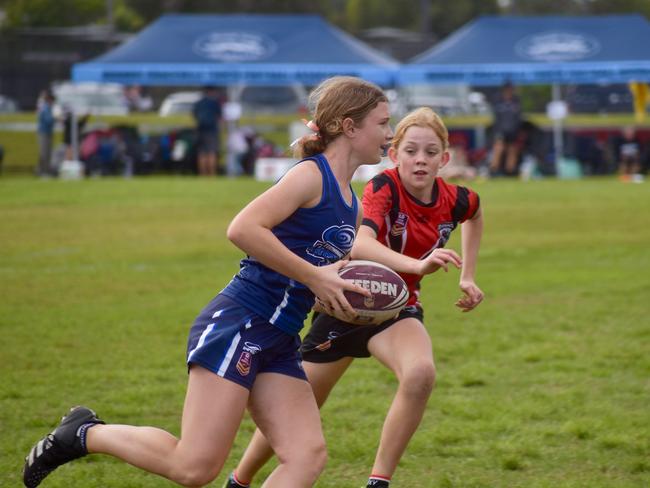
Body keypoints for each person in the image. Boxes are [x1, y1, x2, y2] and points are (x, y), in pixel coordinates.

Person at [22, 76, 393, 488]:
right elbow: (243, 229)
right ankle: (84, 433)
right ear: (349, 125)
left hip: (281, 337)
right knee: (194, 467)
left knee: (306, 455)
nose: (389, 134)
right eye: (382, 123)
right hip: (241, 322)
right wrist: (314, 277)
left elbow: (319, 282)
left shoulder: (352, 204)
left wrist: (346, 301)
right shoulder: (310, 177)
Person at [224, 107, 484, 488]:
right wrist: (416, 264)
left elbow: (475, 214)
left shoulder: (456, 198)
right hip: (345, 303)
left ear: (444, 159)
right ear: (395, 155)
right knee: (303, 405)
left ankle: (379, 481)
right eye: (411, 150)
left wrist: (468, 276)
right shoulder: (384, 188)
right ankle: (241, 479)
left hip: (397, 310)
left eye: (431, 152)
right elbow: (361, 245)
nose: (421, 160)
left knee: (420, 374)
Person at [488, 81, 522, 176]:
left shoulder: (516, 101)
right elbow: (495, 118)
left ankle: (510, 171)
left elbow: (518, 117)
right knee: (498, 149)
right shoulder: (498, 101)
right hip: (500, 130)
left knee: (512, 150)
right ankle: (493, 170)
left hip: (513, 130)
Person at [192, 86, 223, 176]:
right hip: (212, 131)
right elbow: (219, 117)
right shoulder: (214, 103)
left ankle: (202, 174)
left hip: (201, 130)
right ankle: (212, 174)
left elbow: (194, 115)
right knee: (211, 152)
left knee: (202, 153)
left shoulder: (199, 103)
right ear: (212, 92)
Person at [36, 90, 56, 177]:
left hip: (47, 133)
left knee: (48, 153)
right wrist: (56, 118)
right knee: (44, 153)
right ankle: (42, 172)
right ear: (49, 100)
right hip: (43, 133)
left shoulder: (47, 108)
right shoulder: (45, 108)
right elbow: (48, 120)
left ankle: (46, 171)